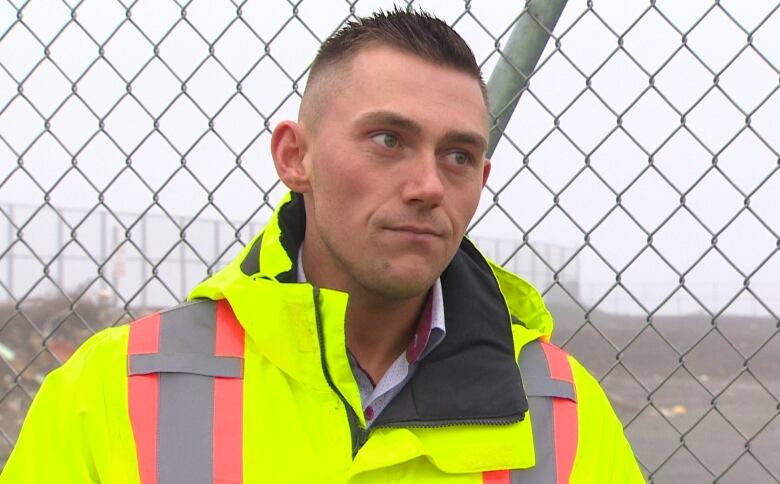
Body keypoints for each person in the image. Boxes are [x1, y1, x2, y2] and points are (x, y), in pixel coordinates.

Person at [1, 8, 644, 483]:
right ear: (295, 156)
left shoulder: (564, 410)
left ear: (481, 180)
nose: (428, 186)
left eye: (458, 154)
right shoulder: (113, 392)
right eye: (389, 139)